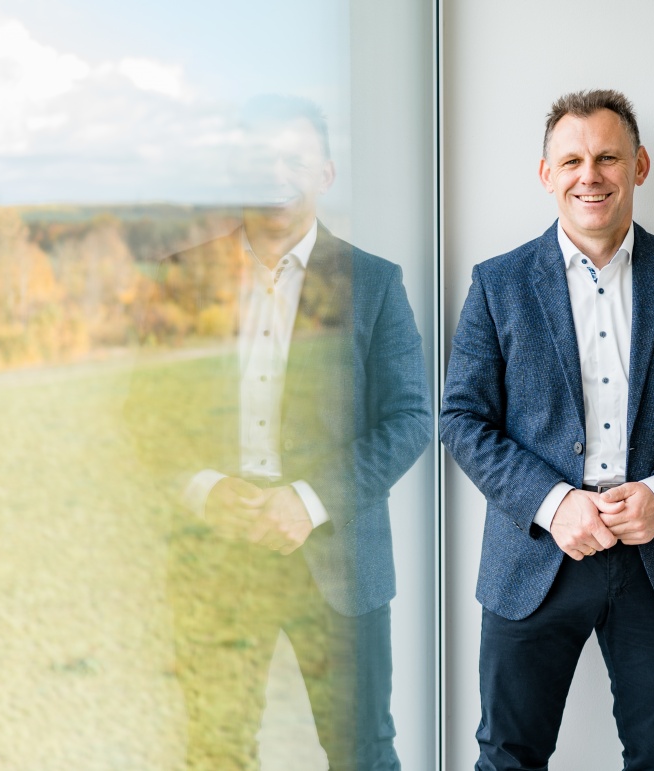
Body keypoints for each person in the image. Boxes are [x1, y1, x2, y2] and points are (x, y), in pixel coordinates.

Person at [440, 89, 654, 770]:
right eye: (574, 159)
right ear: (546, 173)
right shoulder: (498, 284)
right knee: (507, 756)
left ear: (639, 165)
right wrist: (556, 506)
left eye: (608, 157)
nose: (591, 174)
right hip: (534, 557)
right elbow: (461, 419)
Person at [127, 95, 431, 769]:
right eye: (258, 158)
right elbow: (145, 414)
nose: (275, 171)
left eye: (292, 157)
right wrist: (204, 489)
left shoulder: (374, 283)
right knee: (215, 752)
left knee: (363, 753)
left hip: (339, 558)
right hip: (216, 555)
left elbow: (411, 418)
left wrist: (308, 499)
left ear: (324, 173)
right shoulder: (181, 279)